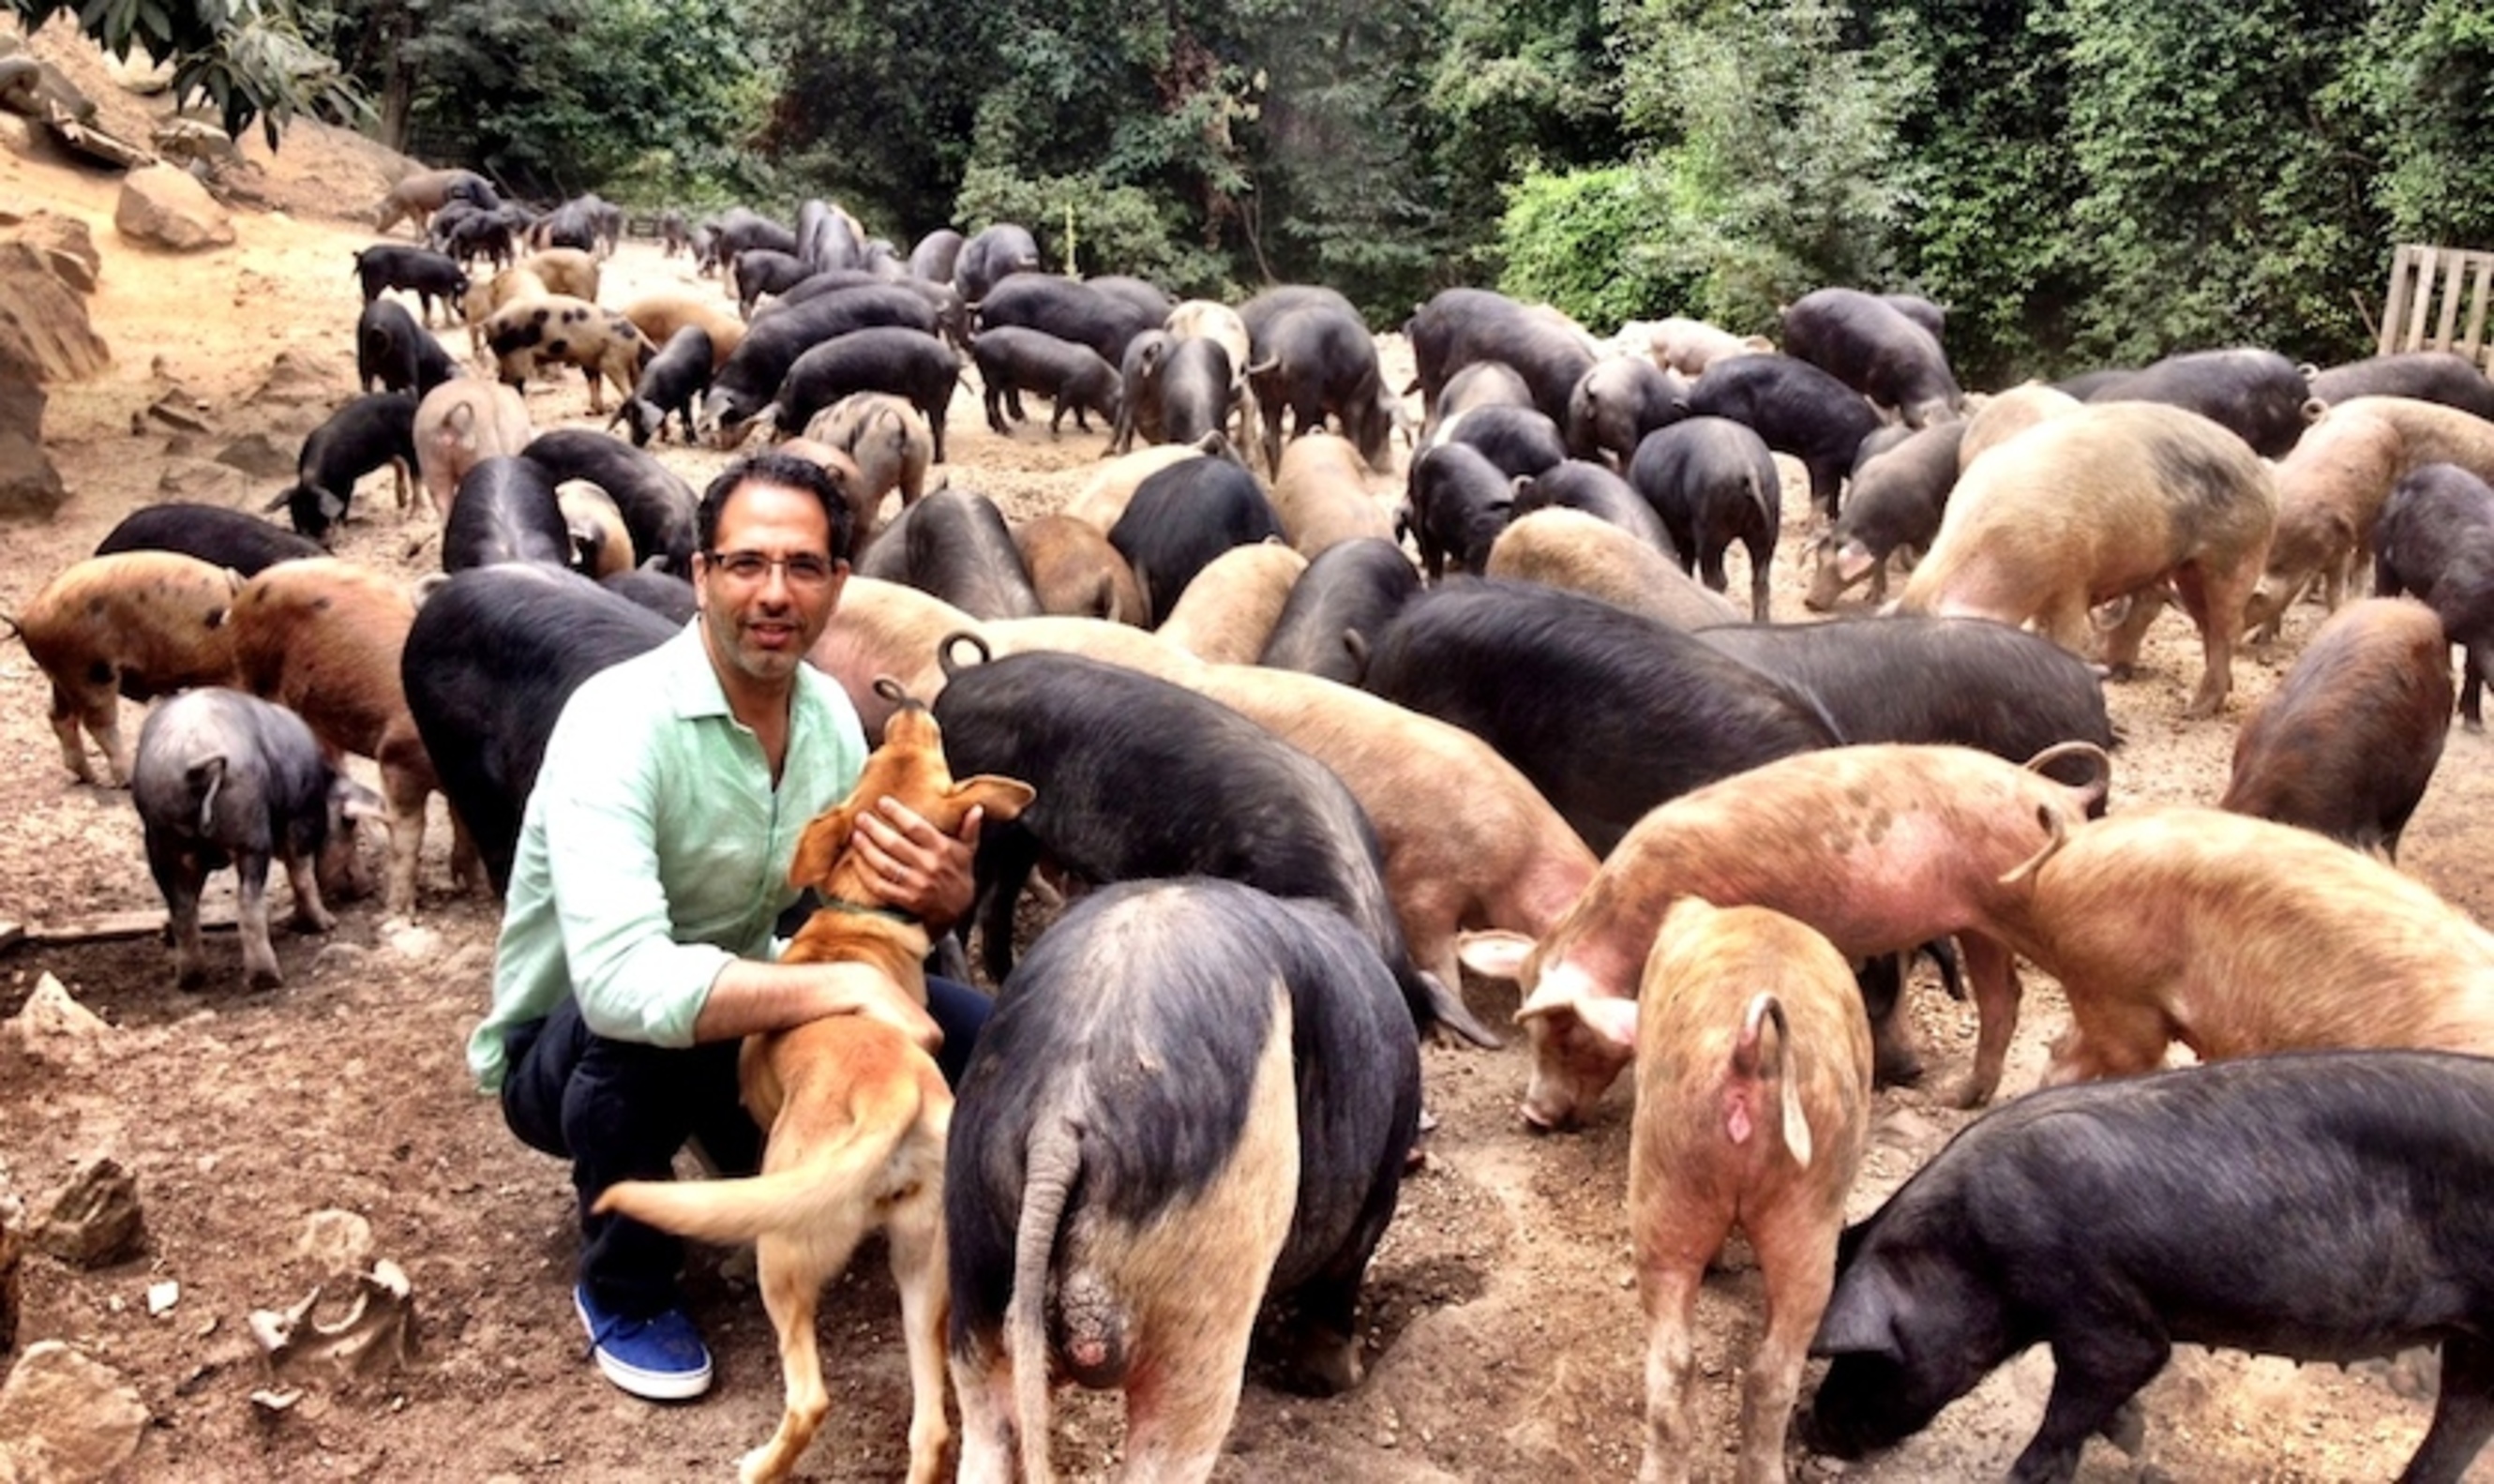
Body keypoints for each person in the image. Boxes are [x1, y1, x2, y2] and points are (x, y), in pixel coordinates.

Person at [467, 450, 989, 1402]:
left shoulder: (828, 714)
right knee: (630, 1032)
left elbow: (840, 902)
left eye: (802, 566)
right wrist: (843, 982)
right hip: (570, 1051)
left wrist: (942, 895)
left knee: (991, 1033)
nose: (772, 592)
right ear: (700, 575)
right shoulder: (617, 724)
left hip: (740, 996)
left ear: (839, 583)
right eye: (746, 563)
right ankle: (624, 1283)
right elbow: (625, 980)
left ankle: (941, 1213)